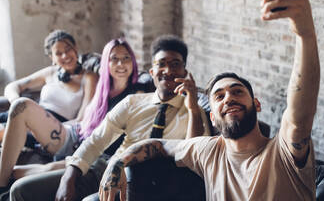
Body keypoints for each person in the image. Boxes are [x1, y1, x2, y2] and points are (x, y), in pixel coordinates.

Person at [98, 0, 320, 201]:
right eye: (219, 96)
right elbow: (159, 144)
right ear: (212, 117)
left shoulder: (283, 151)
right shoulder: (209, 151)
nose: (228, 98)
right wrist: (116, 162)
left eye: (237, 91)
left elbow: (299, 111)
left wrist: (304, 33)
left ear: (256, 104)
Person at [11, 35, 211, 201]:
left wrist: (193, 108)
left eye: (175, 65)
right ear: (152, 72)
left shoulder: (194, 112)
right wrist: (68, 177)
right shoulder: (133, 102)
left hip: (143, 182)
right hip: (103, 167)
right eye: (162, 64)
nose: (168, 71)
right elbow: (96, 140)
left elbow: (194, 156)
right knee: (21, 190)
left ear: (185, 71)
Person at [6, 37, 145, 200]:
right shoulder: (103, 90)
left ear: (133, 62)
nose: (120, 64)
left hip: (95, 157)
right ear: (106, 64)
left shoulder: (137, 94)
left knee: (22, 176)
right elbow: (86, 122)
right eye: (114, 59)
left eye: (126, 58)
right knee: (14, 173)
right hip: (81, 143)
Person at [0, 30, 98, 196]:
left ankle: (1, 184)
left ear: (76, 49)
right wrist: (17, 104)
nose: (65, 55)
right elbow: (12, 87)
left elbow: (82, 119)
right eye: (58, 53)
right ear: (52, 58)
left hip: (61, 128)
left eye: (68, 49)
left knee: (23, 106)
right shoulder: (50, 73)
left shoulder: (88, 78)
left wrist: (37, 125)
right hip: (30, 119)